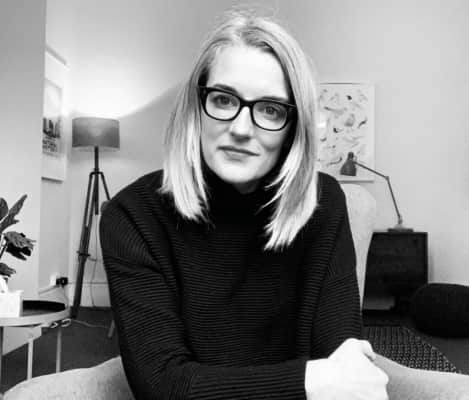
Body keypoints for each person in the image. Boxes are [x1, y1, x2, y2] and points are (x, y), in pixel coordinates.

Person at [99, 9, 469, 400]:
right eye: (223, 99)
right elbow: (163, 386)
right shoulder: (133, 216)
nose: (241, 129)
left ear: (294, 127)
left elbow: (342, 358)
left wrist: (328, 379)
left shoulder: (323, 203)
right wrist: (311, 381)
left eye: (270, 109)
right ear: (196, 107)